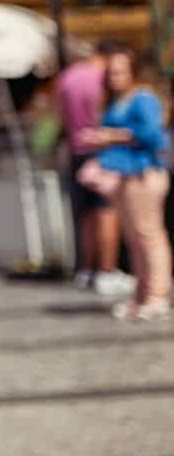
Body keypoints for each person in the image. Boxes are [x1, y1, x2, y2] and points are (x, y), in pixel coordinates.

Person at [94, 47, 170, 322]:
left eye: (120, 72)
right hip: (123, 174)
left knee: (149, 235)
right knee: (134, 239)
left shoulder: (143, 98)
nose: (114, 77)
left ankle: (158, 294)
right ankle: (141, 294)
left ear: (132, 73)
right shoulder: (116, 101)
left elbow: (152, 134)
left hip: (144, 173)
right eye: (111, 72)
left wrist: (112, 136)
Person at [58, 40, 129, 295]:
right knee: (107, 214)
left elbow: (61, 117)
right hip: (101, 151)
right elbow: (104, 115)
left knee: (86, 216)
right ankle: (107, 271)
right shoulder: (101, 77)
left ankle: (86, 270)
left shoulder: (65, 78)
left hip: (76, 151)